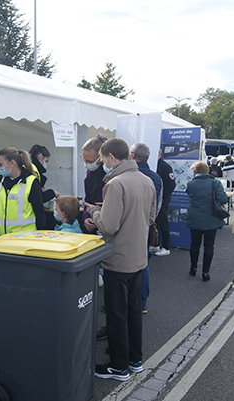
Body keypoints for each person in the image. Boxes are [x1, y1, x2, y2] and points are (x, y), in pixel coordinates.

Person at [84, 138, 156, 381]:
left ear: (112, 157)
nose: (102, 163)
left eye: (103, 159)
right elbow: (150, 218)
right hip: (139, 257)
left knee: (116, 314)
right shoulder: (146, 180)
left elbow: (109, 226)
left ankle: (118, 366)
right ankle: (135, 360)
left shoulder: (115, 184)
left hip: (118, 259)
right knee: (133, 312)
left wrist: (95, 211)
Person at [130, 142, 162, 315]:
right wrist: (149, 222)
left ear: (133, 156)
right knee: (143, 264)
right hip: (146, 226)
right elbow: (157, 205)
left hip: (128, 228)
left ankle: (125, 301)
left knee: (124, 265)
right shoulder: (156, 178)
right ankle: (142, 302)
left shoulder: (127, 176)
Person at [186, 161, 228, 281]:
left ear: (195, 171)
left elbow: (190, 195)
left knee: (195, 244)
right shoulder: (215, 183)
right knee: (209, 246)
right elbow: (223, 199)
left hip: (195, 218)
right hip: (211, 220)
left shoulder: (190, 184)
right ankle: (205, 272)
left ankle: (193, 268)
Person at [0, 147, 46, 235]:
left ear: (12, 163)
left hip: (25, 238)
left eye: (0, 164)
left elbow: (40, 213)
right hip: (1, 237)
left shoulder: (31, 182)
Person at [81, 134, 108, 234]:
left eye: (89, 161)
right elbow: (87, 201)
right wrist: (86, 218)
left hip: (106, 224)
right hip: (93, 221)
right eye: (84, 160)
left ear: (100, 158)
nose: (86, 164)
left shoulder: (110, 174)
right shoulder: (90, 173)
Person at [154, 149, 176, 256]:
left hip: (162, 199)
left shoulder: (165, 167)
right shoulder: (154, 164)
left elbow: (171, 184)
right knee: (155, 222)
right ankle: (156, 244)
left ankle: (166, 247)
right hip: (155, 199)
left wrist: (163, 198)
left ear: (159, 153)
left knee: (162, 222)